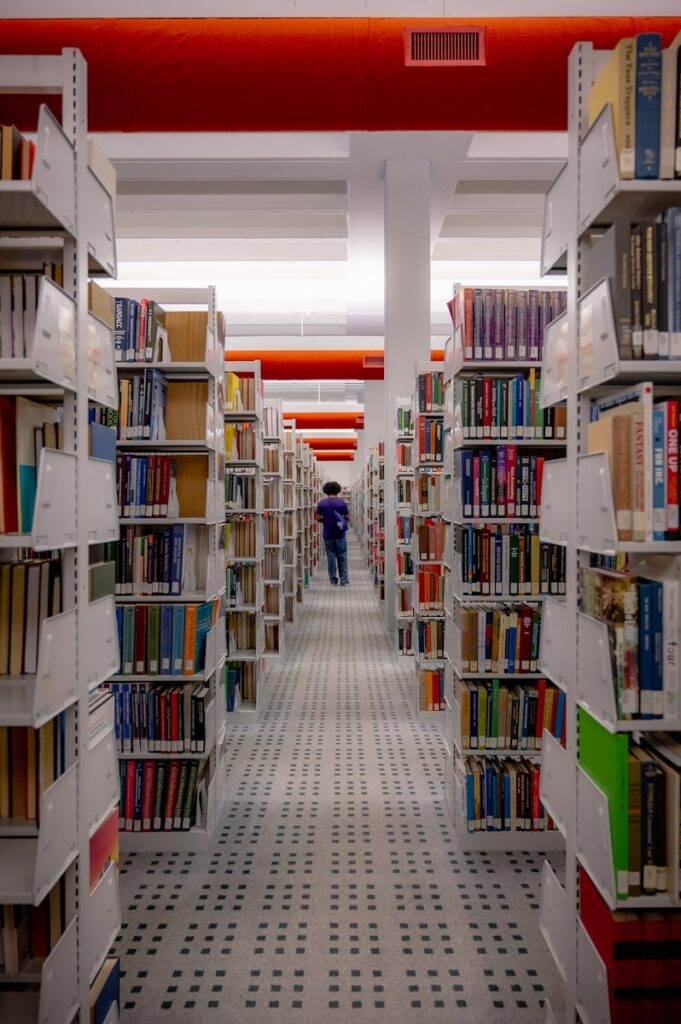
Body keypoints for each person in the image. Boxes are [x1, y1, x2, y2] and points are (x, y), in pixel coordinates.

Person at [315, 481, 350, 586]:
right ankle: (343, 579)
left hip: (328, 534)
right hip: (340, 534)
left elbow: (317, 518)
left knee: (331, 557)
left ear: (326, 491)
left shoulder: (322, 503)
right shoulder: (342, 503)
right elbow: (347, 517)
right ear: (338, 490)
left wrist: (325, 520)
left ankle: (333, 579)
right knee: (342, 556)